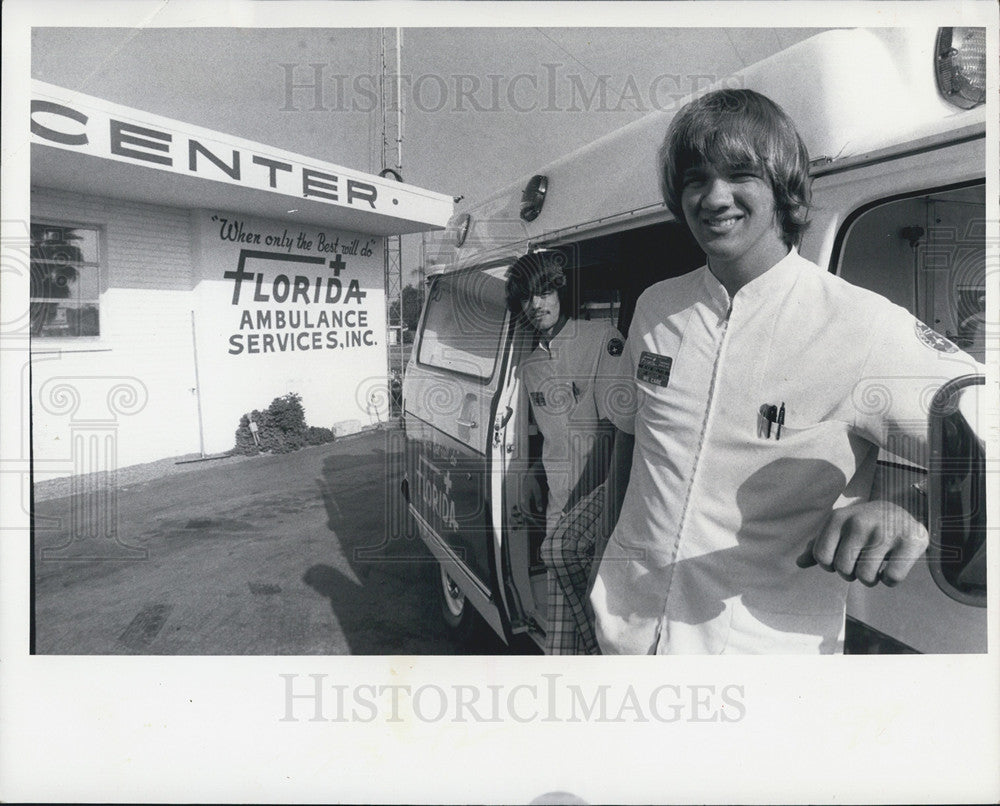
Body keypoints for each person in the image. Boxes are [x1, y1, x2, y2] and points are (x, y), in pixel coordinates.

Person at [589, 88, 985, 654]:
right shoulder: (656, 306)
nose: (713, 196)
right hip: (625, 642)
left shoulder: (860, 326)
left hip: (762, 668)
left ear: (783, 186)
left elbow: (986, 435)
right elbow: (629, 450)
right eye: (695, 178)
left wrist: (913, 503)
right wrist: (603, 578)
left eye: (740, 173)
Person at [506, 251, 625, 654]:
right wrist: (530, 477)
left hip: (602, 507)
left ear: (561, 291)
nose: (536, 304)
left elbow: (616, 431)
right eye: (526, 297)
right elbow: (548, 436)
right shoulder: (530, 366)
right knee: (561, 641)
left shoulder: (601, 339)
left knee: (603, 632)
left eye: (543, 291)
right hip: (558, 508)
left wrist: (584, 509)